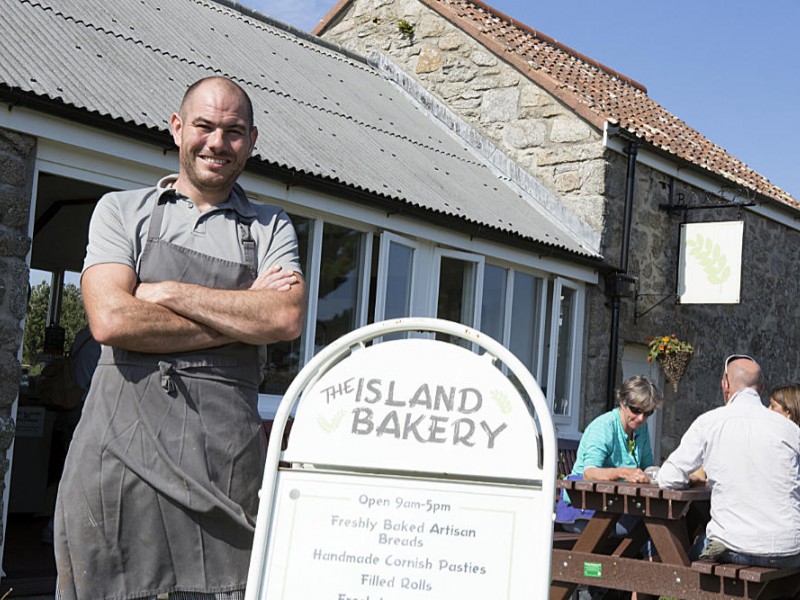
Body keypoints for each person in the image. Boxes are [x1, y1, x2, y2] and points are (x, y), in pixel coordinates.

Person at [53, 76, 306, 600]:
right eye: (205, 126)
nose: (217, 142)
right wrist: (239, 319)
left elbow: (283, 319)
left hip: (224, 475)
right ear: (177, 129)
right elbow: (112, 321)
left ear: (252, 141)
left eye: (233, 131)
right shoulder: (120, 211)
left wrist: (165, 291)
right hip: (115, 469)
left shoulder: (270, 226)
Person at [657, 355, 800, 568]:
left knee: (684, 561)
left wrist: (691, 479)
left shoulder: (709, 422)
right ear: (761, 388)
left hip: (730, 547)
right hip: (790, 550)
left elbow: (667, 478)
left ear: (725, 384)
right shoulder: (789, 429)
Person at [557, 375, 661, 531]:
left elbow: (647, 469)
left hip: (616, 506)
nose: (641, 418)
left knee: (656, 520)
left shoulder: (641, 429)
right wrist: (623, 472)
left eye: (647, 413)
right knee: (651, 526)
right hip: (584, 508)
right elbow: (589, 473)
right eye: (636, 410)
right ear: (622, 403)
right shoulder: (603, 427)